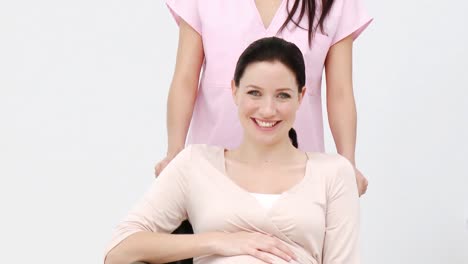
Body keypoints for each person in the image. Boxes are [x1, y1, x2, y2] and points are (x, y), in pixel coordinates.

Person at [105, 37, 360, 264]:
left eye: (282, 95)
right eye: (254, 93)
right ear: (235, 91)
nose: (268, 110)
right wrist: (219, 241)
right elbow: (119, 251)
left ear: (301, 97)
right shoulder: (195, 164)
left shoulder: (334, 173)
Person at [156, 0, 372, 196]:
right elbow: (185, 78)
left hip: (300, 177)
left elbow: (340, 92)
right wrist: (174, 152)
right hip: (212, 169)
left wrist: (347, 163)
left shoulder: (335, 4)